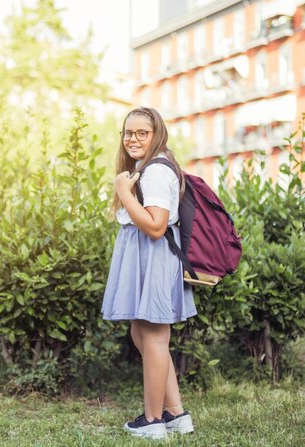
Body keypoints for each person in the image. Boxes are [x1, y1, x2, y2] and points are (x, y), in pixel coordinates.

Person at [101, 106, 197, 440]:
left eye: (143, 133)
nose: (133, 139)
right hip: (144, 256)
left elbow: (156, 227)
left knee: (154, 336)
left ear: (156, 135)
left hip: (154, 256)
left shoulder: (156, 171)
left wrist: (124, 194)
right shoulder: (147, 167)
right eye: (128, 132)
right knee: (143, 335)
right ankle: (175, 414)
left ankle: (153, 420)